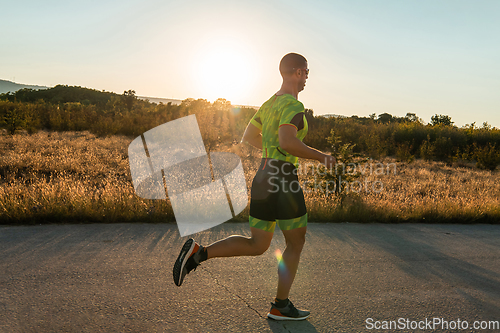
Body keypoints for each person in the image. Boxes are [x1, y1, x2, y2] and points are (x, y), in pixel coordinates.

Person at [173, 53, 336, 321]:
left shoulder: (270, 103)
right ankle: (280, 306)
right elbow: (287, 142)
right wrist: (321, 156)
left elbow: (249, 136)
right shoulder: (294, 105)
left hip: (263, 176)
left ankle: (199, 254)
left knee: (258, 243)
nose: (307, 77)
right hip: (282, 178)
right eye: (306, 72)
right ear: (296, 72)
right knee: (296, 243)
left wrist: (271, 154)